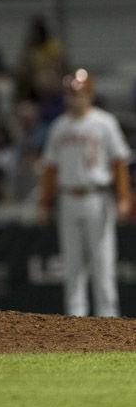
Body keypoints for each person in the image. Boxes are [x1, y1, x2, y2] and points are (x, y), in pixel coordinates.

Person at [38, 69, 132, 317]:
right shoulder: (59, 127)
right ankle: (76, 326)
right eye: (70, 93)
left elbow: (119, 162)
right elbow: (50, 168)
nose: (73, 98)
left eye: (78, 93)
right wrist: (44, 202)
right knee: (72, 266)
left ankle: (108, 324)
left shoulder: (104, 123)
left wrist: (124, 197)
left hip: (97, 197)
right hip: (68, 198)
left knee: (103, 264)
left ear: (89, 94)